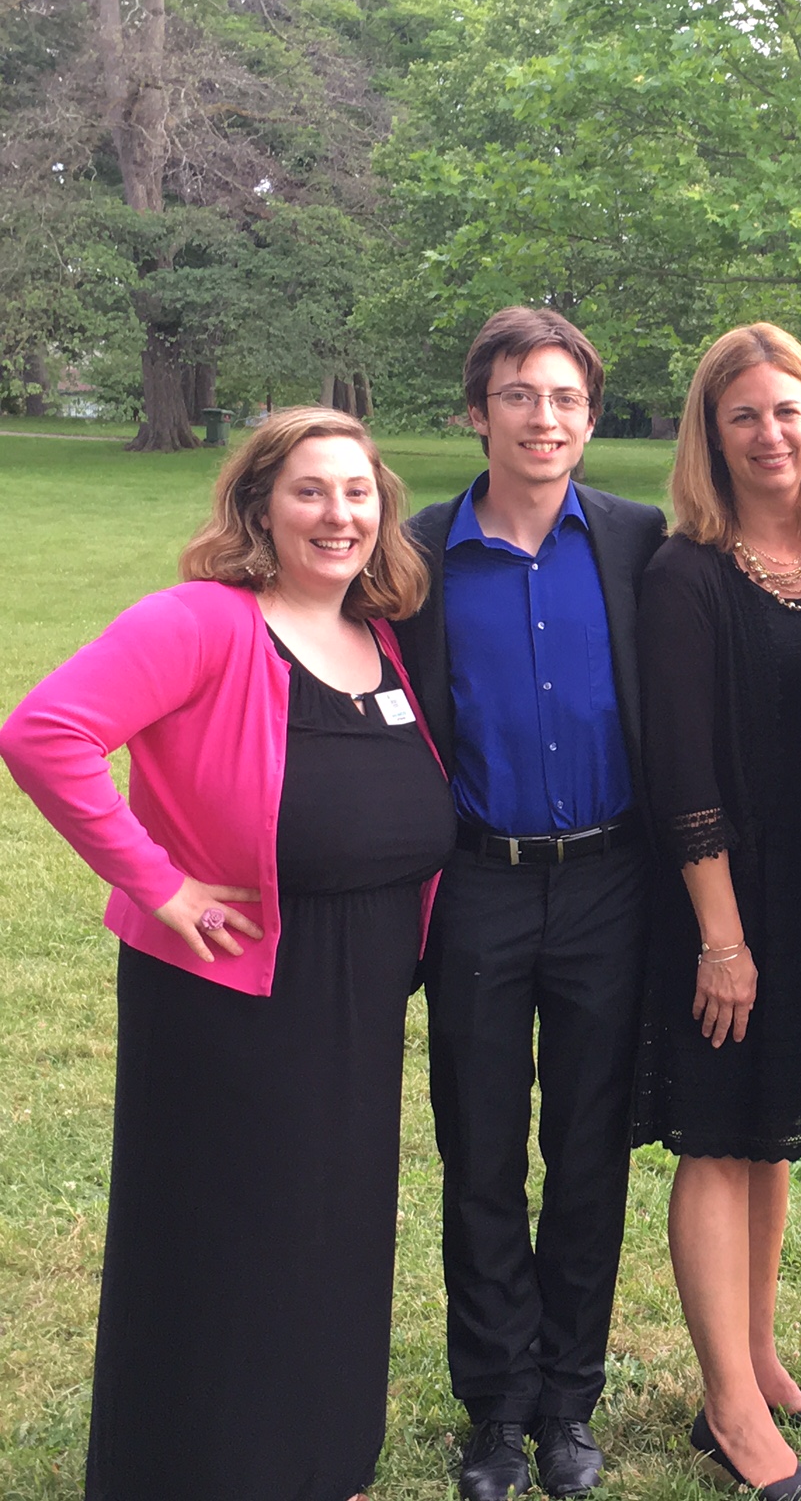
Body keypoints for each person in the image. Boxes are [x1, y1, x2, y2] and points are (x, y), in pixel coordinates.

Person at [0, 407, 453, 1501]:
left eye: (357, 492)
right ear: (259, 506)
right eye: (309, 491)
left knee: (330, 1240)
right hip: (232, 993)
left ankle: (320, 1462)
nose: (337, 514)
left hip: (358, 991)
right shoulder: (202, 622)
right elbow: (42, 733)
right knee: (225, 1244)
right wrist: (154, 882)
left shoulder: (377, 638)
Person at [394, 307, 668, 1501]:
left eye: (564, 399)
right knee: (482, 1153)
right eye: (519, 396)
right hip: (479, 888)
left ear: (590, 417)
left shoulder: (640, 543)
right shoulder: (407, 559)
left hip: (613, 881)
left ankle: (569, 1402)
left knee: (590, 1149)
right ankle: (493, 1409)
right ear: (478, 413)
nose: (543, 418)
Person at [632, 323, 801, 1501]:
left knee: (771, 1132)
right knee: (721, 1135)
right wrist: (721, 940)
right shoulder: (688, 573)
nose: (773, 433)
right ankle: (727, 1409)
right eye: (746, 415)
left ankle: (762, 1355)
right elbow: (681, 772)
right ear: (711, 434)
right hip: (723, 893)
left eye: (792, 410)